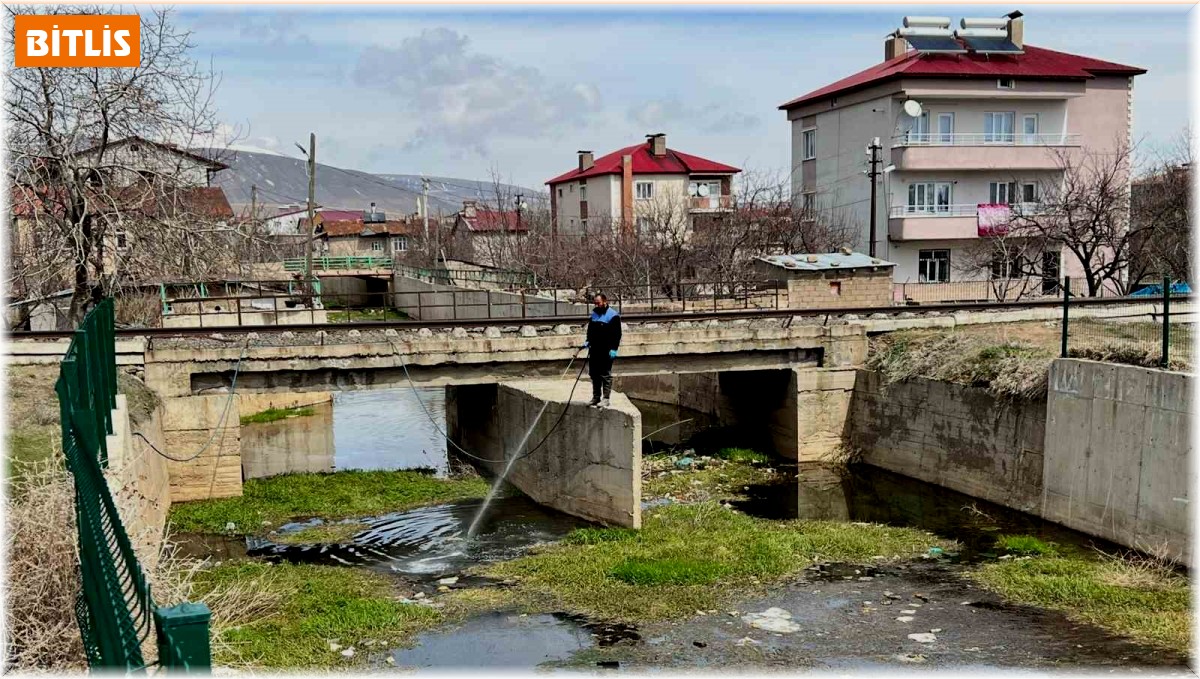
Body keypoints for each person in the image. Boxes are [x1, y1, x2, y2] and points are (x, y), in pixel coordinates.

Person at [582, 292, 621, 408]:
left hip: (606, 350)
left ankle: (606, 398)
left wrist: (614, 348)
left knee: (605, 374)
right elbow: (590, 330)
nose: (596, 305)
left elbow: (617, 334)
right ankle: (596, 397)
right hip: (595, 349)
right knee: (594, 373)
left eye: (598, 303)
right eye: (595, 303)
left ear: (605, 302)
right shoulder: (594, 314)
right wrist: (588, 340)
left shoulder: (613, 315)